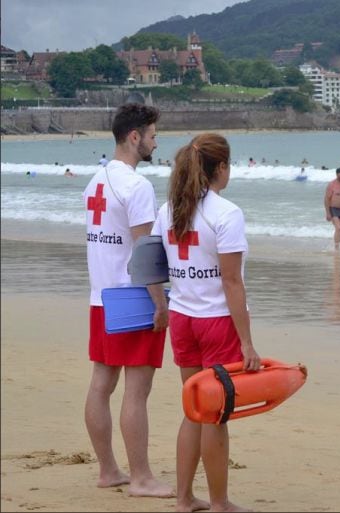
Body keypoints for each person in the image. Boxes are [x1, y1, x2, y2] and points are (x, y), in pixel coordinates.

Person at [152, 133, 260, 513]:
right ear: (222, 168)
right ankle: (219, 503)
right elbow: (231, 281)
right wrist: (247, 342)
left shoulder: (168, 211)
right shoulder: (226, 213)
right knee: (215, 414)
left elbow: (153, 266)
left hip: (182, 319)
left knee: (193, 410)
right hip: (215, 323)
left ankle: (184, 499)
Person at [82, 103, 173, 498]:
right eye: (153, 135)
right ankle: (140, 477)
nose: (156, 142)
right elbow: (145, 252)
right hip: (132, 298)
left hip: (100, 296)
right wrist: (160, 303)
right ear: (134, 137)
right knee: (137, 391)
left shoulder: (95, 181)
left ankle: (108, 470)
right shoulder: (137, 186)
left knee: (101, 384)